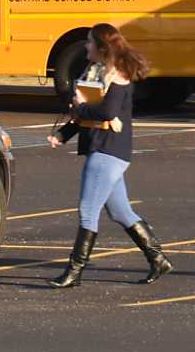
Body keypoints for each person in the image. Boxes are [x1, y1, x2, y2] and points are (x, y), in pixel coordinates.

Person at [47, 23, 172, 287]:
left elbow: (105, 113)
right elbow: (88, 113)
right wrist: (63, 134)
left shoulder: (118, 77)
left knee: (87, 211)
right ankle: (158, 259)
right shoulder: (94, 71)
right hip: (104, 147)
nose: (86, 46)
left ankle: (74, 271)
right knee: (120, 211)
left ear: (102, 48)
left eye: (90, 42)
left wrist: (80, 107)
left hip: (107, 151)